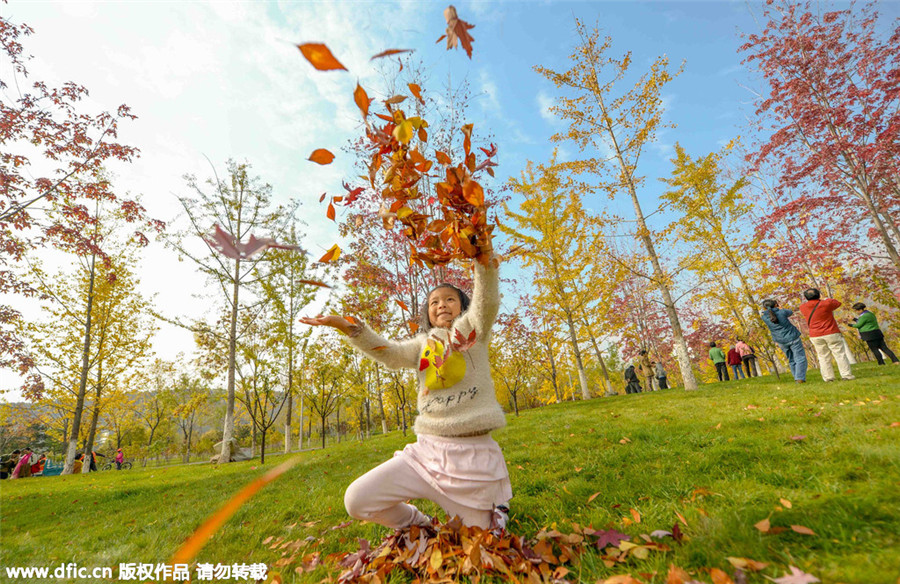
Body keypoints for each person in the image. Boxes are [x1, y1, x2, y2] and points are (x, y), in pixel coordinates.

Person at [301, 255, 512, 531]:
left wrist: (482, 257)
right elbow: (388, 354)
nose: (441, 305)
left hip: (472, 459)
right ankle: (418, 524)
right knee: (357, 500)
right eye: (434, 302)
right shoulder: (423, 344)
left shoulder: (472, 332)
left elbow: (487, 301)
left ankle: (496, 509)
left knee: (481, 537)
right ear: (427, 313)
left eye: (449, 299)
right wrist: (347, 326)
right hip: (426, 454)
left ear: (462, 305)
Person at [798, 288, 854, 382]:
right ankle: (846, 375)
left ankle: (828, 378)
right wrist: (825, 298)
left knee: (823, 357)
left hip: (815, 335)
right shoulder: (826, 303)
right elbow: (837, 303)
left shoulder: (803, 307)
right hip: (831, 332)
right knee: (839, 354)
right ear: (818, 295)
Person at [761, 299, 808, 383]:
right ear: (776, 305)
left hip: (780, 341)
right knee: (800, 358)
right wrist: (780, 308)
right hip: (793, 337)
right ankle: (799, 378)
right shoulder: (782, 312)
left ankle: (796, 378)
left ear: (764, 308)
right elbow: (790, 312)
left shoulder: (764, 317)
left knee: (791, 359)